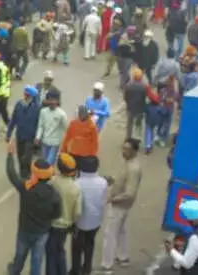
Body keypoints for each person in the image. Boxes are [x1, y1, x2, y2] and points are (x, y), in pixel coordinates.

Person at [5, 150, 62, 275]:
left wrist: (10, 154)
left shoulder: (26, 187)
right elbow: (57, 215)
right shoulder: (54, 195)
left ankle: (15, 271)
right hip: (42, 232)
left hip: (24, 229)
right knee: (37, 259)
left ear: (34, 173)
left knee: (20, 255)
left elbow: (11, 173)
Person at [98, 139, 143, 274]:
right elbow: (122, 179)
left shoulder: (134, 168)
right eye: (123, 148)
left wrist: (112, 199)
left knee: (110, 233)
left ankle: (107, 264)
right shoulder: (128, 162)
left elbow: (130, 193)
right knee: (121, 231)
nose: (124, 151)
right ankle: (123, 257)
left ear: (135, 151)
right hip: (122, 205)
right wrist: (112, 179)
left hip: (119, 204)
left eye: (127, 149)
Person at [47, 154, 82, 275]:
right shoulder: (75, 188)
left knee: (51, 252)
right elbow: (77, 212)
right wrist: (73, 224)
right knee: (60, 249)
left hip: (51, 224)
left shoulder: (52, 182)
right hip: (65, 226)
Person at [71, 156, 107, 275]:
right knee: (90, 244)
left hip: (79, 222)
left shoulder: (76, 184)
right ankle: (87, 268)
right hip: (95, 221)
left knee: (76, 248)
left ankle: (76, 270)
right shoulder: (103, 182)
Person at [7, 85, 42, 178]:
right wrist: (9, 133)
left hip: (30, 138)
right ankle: (23, 176)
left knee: (26, 158)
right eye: (25, 94)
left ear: (32, 97)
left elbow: (40, 124)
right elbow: (13, 119)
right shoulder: (19, 104)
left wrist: (38, 138)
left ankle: (27, 175)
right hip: (20, 136)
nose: (25, 97)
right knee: (20, 158)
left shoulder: (37, 108)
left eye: (28, 95)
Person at [36, 89, 69, 165]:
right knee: (44, 162)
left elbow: (66, 129)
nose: (52, 102)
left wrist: (66, 143)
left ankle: (49, 174)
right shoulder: (43, 112)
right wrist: (38, 137)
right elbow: (40, 126)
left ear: (58, 101)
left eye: (54, 100)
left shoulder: (62, 114)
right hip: (44, 141)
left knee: (49, 163)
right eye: (50, 100)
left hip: (55, 143)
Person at [61, 105, 99, 170]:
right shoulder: (73, 123)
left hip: (85, 155)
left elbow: (95, 142)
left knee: (81, 171)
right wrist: (63, 150)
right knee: (72, 170)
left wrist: (93, 155)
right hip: (73, 153)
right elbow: (67, 137)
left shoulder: (92, 126)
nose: (78, 116)